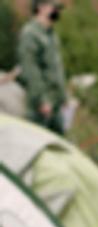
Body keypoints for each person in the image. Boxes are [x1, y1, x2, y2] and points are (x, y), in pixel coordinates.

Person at [16, 0, 65, 134]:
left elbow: (55, 70)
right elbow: (31, 71)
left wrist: (62, 97)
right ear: (41, 7)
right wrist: (42, 100)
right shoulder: (30, 34)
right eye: (54, 8)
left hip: (54, 103)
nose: (57, 12)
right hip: (40, 106)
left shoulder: (50, 35)